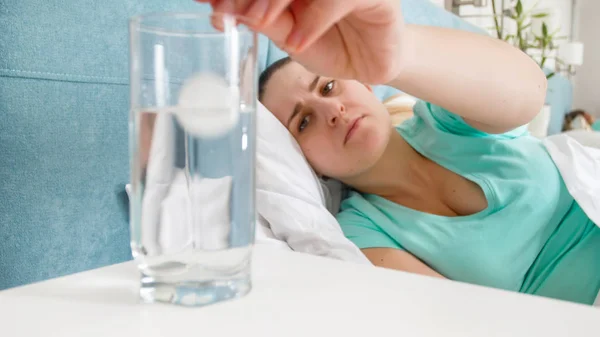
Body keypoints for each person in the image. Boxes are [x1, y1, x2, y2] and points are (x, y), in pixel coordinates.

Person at [199, 0, 600, 305]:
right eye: (303, 122)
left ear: (367, 85)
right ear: (303, 161)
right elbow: (470, 320)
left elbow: (528, 91)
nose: (331, 111)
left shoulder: (445, 119)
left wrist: (394, 55)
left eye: (328, 87)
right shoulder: (365, 234)